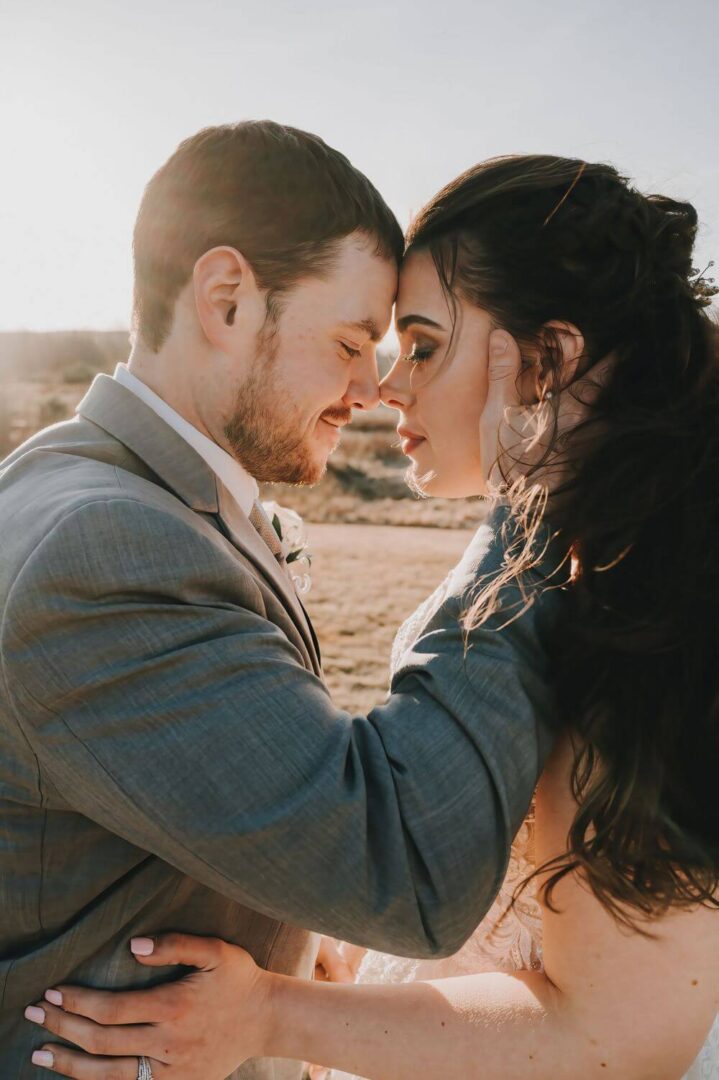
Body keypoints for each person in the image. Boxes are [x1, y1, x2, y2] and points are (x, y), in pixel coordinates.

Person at [30, 155, 719, 1080]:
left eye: (420, 346)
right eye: (362, 344)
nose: (383, 390)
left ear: (546, 363)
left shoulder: (650, 620)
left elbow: (614, 1038)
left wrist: (274, 1011)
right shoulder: (565, 566)